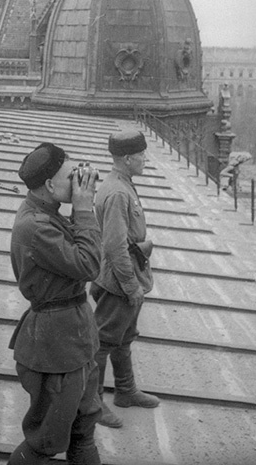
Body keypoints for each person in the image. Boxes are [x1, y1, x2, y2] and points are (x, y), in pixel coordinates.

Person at [8, 142, 102, 465]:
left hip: (75, 336)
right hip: (56, 346)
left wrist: (79, 208)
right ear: (49, 185)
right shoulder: (35, 226)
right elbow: (89, 264)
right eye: (70, 176)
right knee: (44, 440)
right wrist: (85, 208)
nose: (78, 181)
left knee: (83, 428)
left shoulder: (47, 212)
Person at [91, 130, 159, 430]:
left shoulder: (121, 183)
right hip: (120, 280)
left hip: (126, 275)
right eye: (142, 155)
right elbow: (114, 245)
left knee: (124, 337)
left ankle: (125, 390)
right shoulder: (118, 192)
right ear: (128, 159)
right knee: (103, 343)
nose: (145, 160)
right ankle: (92, 404)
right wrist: (131, 286)